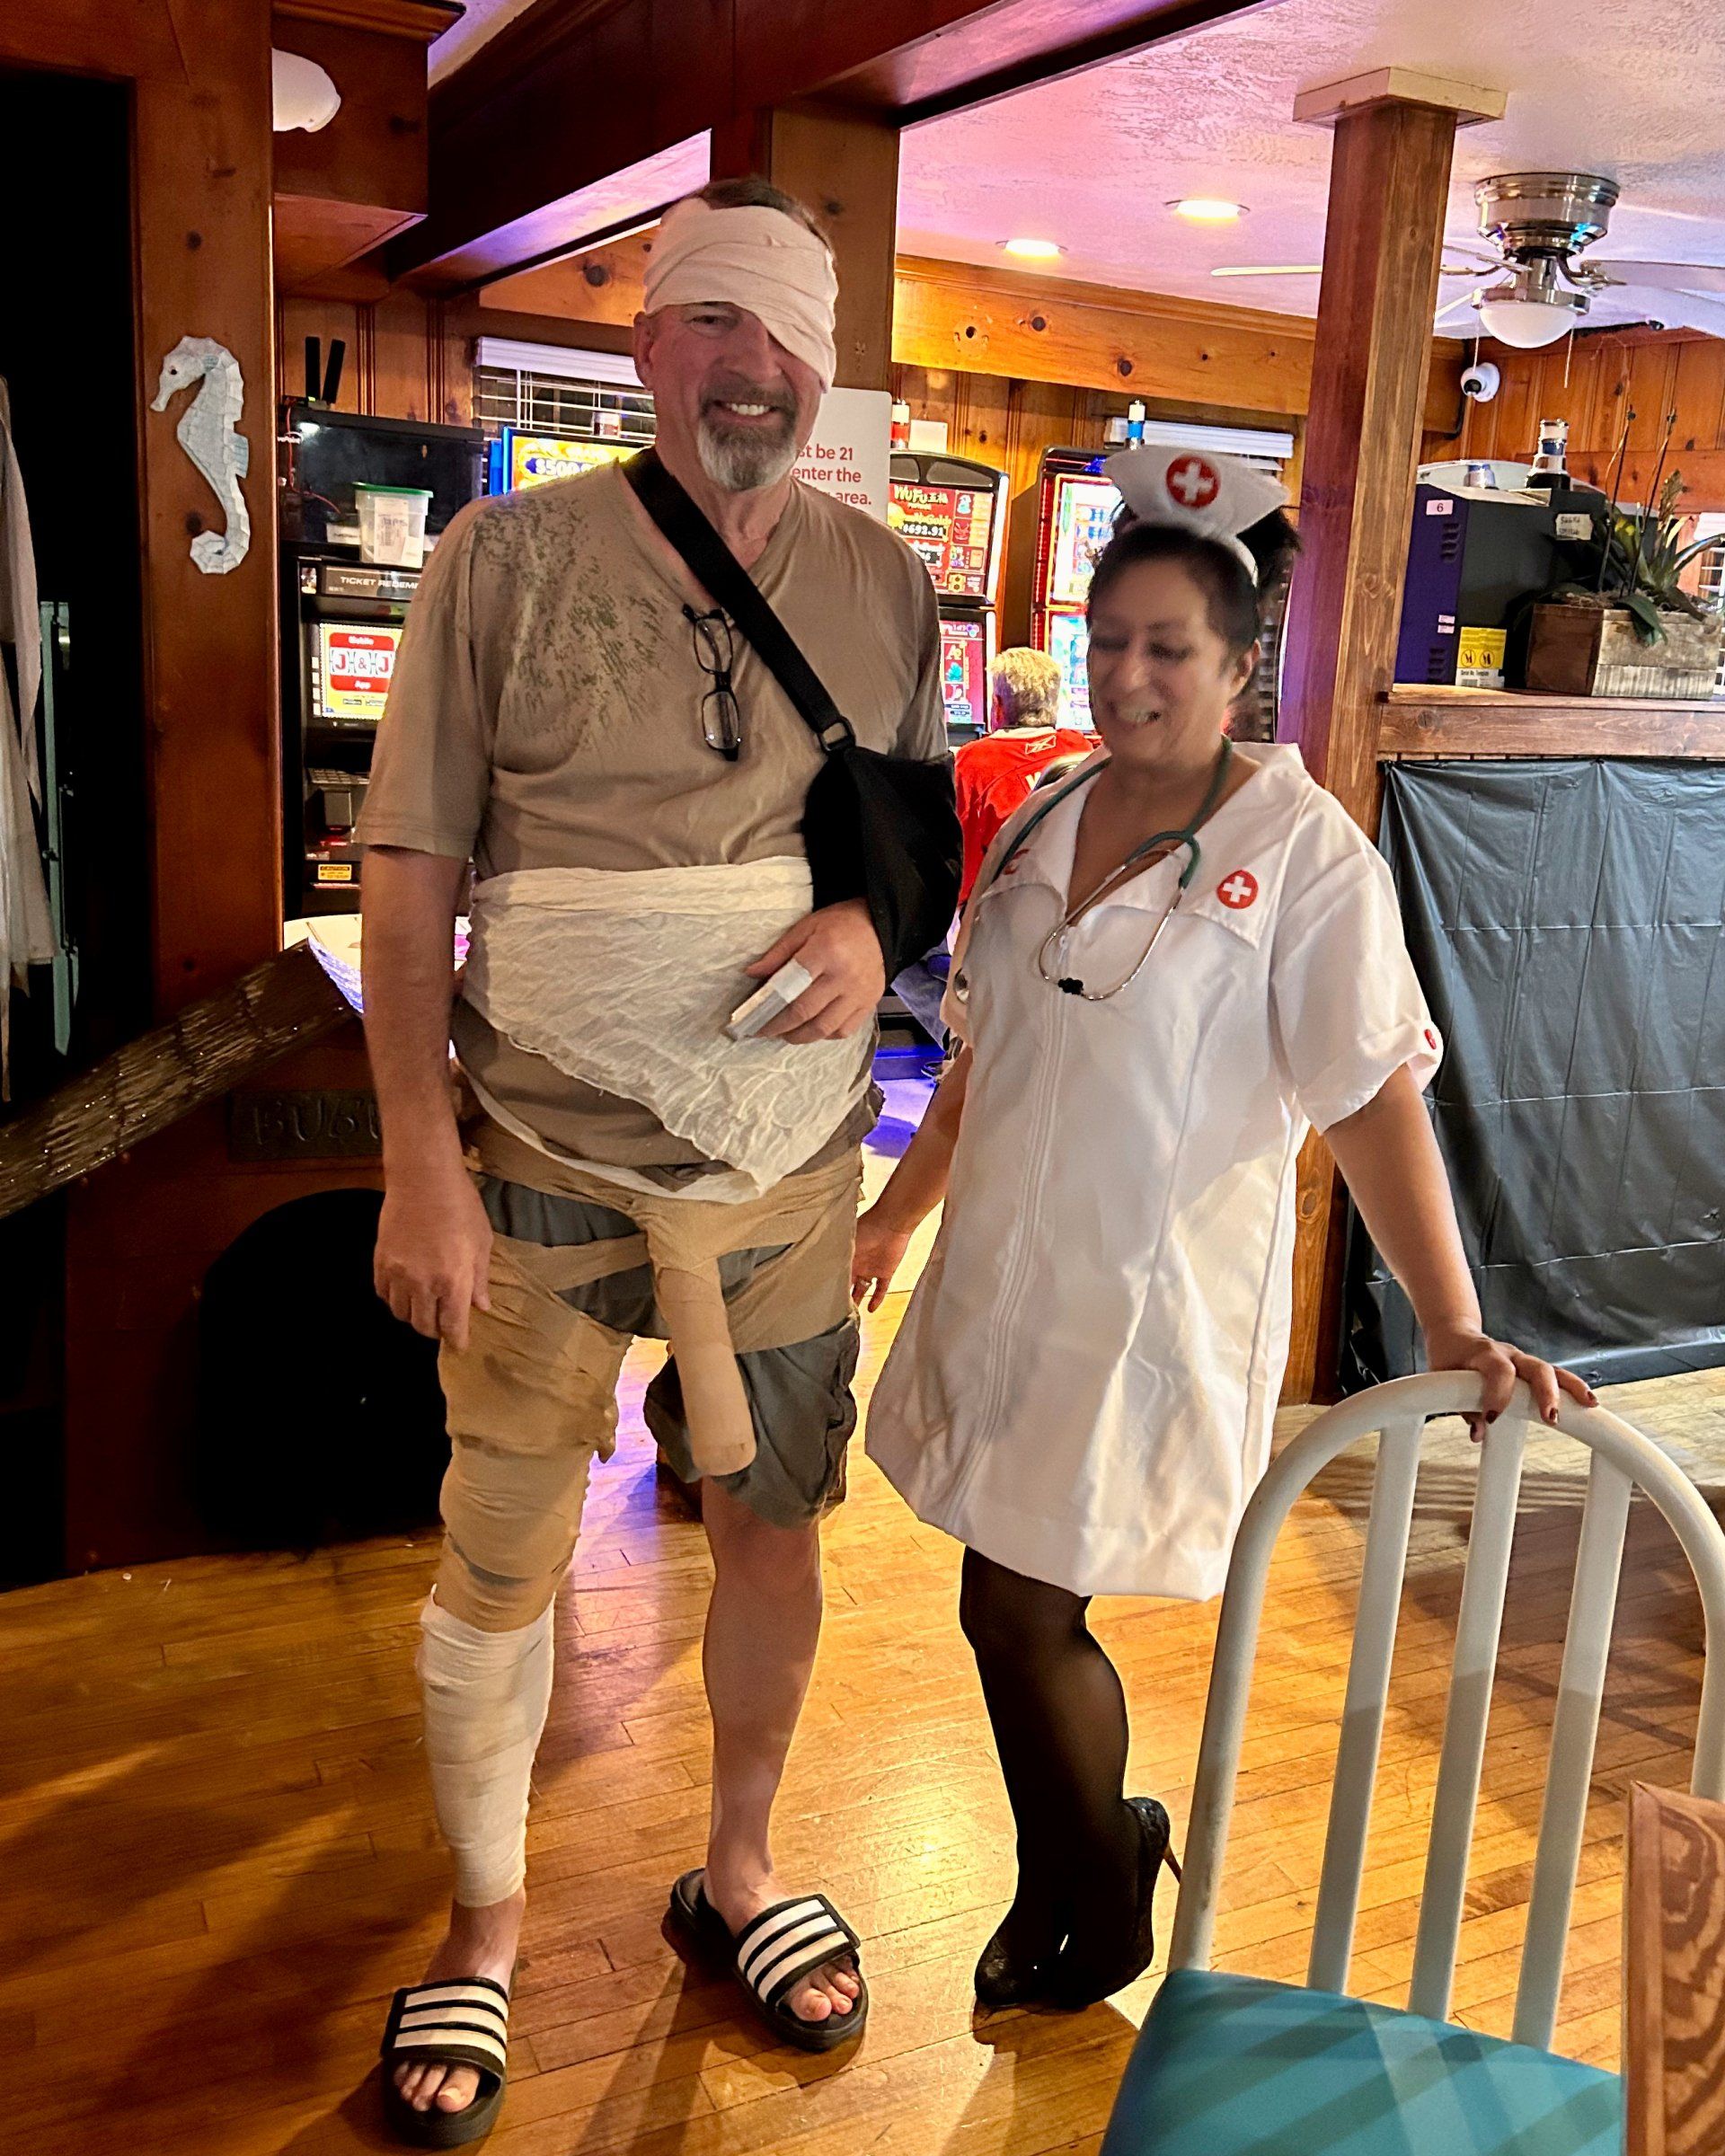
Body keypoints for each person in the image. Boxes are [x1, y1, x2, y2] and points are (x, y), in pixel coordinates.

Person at [849, 444, 1596, 2016]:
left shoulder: (1306, 858)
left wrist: (1453, 1323)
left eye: (1170, 649)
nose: (1129, 676)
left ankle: (1096, 1886)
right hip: (1003, 1281)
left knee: (1019, 1604)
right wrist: (894, 1219)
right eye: (1111, 638)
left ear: (1242, 662)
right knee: (1003, 1595)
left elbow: (1371, 1097)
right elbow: (990, 1055)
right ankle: (1082, 1860)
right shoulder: (1047, 811)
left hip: (1146, 1302)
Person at [357, 177, 949, 2140]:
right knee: (504, 1546)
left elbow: (913, 843)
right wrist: (420, 1161)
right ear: (646, 349)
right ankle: (486, 1924)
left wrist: (869, 924)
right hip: (537, 1148)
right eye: (711, 324)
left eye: (784, 337)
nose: (750, 369)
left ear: (824, 368)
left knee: (774, 1525)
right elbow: (411, 868)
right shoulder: (500, 559)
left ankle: (742, 1865)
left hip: (789, 1168)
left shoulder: (885, 583)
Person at [952, 646, 1094, 905]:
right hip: (1075, 898)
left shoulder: (974, 760)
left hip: (1002, 905)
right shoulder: (1079, 746)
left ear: (997, 705)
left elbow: (963, 864)